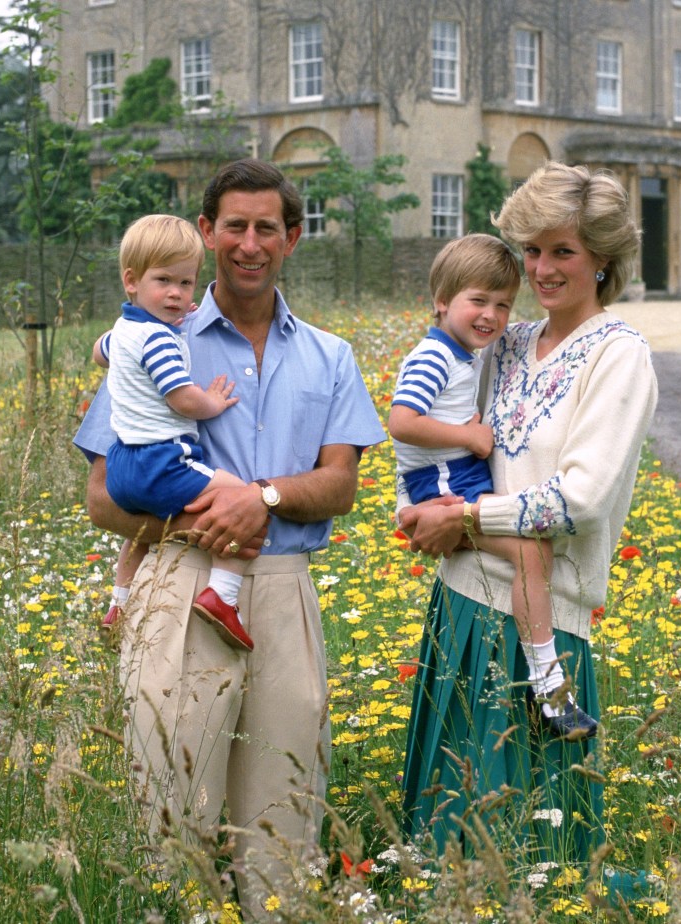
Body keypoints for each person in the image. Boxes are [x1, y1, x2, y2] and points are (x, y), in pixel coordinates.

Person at [73, 159, 386, 919]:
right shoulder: (151, 337)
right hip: (180, 582)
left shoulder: (329, 355)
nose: (250, 244)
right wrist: (202, 520)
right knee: (172, 811)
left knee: (286, 819)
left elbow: (339, 484)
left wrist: (264, 497)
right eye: (234, 227)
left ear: (293, 238)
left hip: (282, 594)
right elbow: (100, 496)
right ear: (208, 233)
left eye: (267, 228)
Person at [398, 162, 658, 872]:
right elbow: (433, 419)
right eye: (533, 251)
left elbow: (579, 501)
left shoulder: (618, 356)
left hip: (544, 623)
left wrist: (466, 518)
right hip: (460, 601)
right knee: (450, 836)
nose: (542, 269)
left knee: (533, 851)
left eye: (562, 251)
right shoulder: (506, 342)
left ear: (603, 259)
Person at [389, 234, 598, 739]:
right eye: (477, 301)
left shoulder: (463, 354)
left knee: (533, 557)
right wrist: (470, 436)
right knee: (530, 556)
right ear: (441, 301)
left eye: (502, 304)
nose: (491, 315)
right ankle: (549, 688)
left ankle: (546, 682)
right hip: (447, 485)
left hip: (456, 482)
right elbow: (401, 422)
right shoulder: (434, 357)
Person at [94, 213, 253, 651]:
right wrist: (213, 402)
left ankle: (119, 603)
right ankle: (223, 596)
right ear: (131, 280)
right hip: (164, 459)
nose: (176, 294)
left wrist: (169, 318)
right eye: (164, 281)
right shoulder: (159, 341)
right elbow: (181, 398)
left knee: (139, 536)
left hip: (123, 466)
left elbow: (99, 352)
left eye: (186, 284)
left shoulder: (125, 330)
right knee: (242, 500)